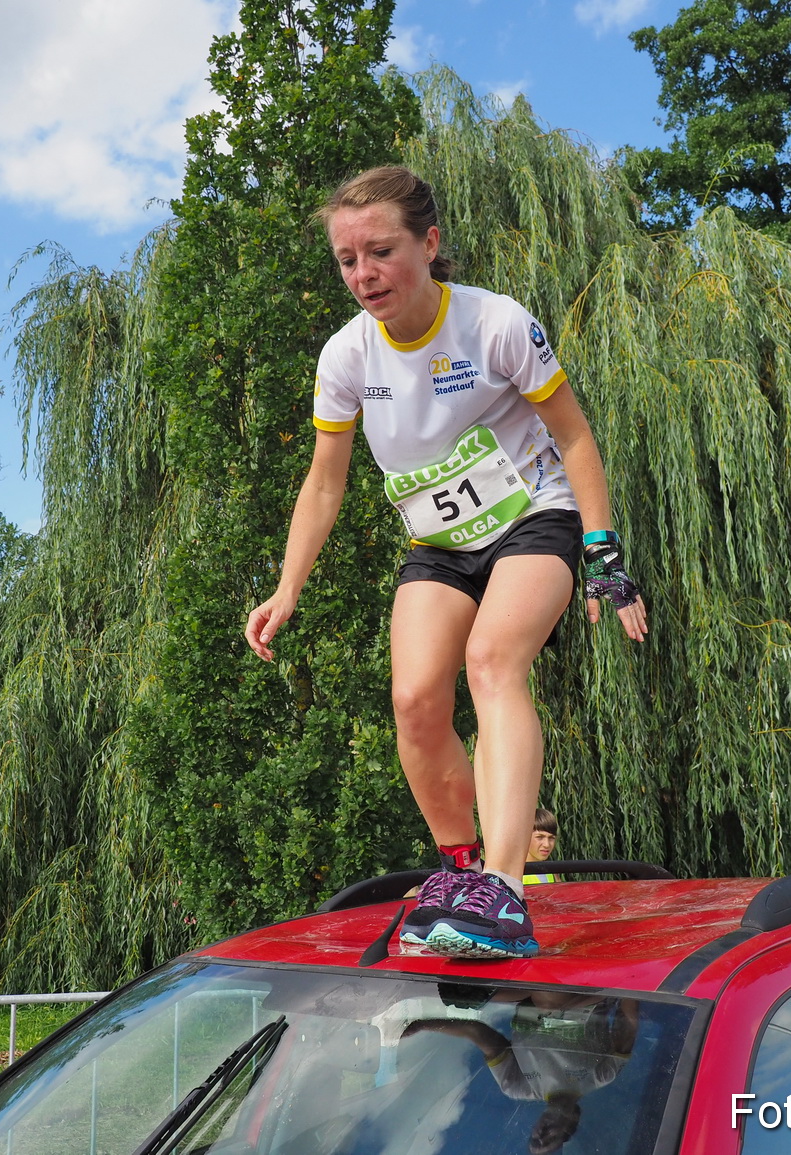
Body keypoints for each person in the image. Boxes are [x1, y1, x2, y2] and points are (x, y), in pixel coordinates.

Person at [243, 166, 648, 960]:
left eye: (381, 252)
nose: (364, 274)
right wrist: (288, 586)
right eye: (347, 260)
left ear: (428, 245)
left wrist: (602, 550)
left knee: (491, 661)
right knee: (415, 699)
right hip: (440, 542)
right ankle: (459, 870)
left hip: (535, 516)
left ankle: (505, 884)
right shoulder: (346, 356)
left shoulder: (496, 325)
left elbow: (574, 436)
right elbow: (324, 481)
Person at [402, 993, 639, 1155]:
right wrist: (630, 980)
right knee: (548, 1002)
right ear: (572, 1123)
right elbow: (628, 1019)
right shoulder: (600, 1076)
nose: (541, 1132)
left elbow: (477, 1032)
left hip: (527, 990)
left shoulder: (517, 1086)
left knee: (459, 992)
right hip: (585, 991)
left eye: (534, 1139)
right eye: (548, 1139)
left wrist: (422, 1024)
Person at [523, 807, 560, 885]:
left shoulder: (552, 872)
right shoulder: (514, 874)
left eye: (551, 838)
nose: (547, 844)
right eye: (540, 837)